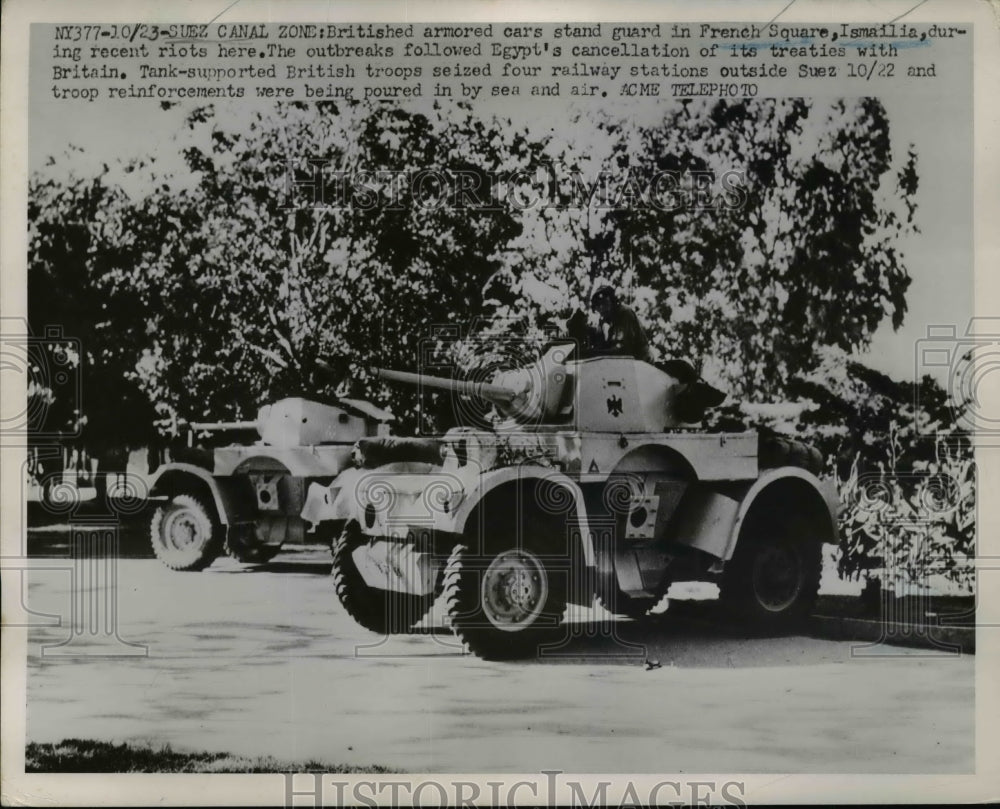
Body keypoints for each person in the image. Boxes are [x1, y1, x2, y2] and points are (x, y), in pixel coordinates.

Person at [588, 285, 651, 362]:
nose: (601, 308)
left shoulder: (625, 313)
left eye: (605, 303)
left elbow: (623, 350)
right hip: (621, 364)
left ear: (613, 302)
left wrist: (595, 353)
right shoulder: (603, 320)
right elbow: (600, 345)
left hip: (640, 362)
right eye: (598, 305)